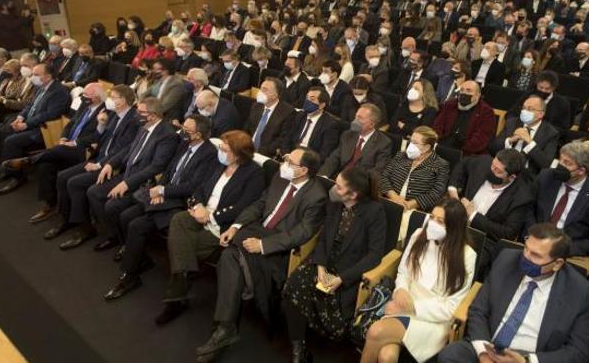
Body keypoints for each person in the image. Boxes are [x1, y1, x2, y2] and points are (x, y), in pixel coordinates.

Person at [195, 148, 327, 360]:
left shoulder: (317, 196)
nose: (283, 163)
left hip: (278, 248)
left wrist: (264, 245)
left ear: (303, 170)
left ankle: (225, 328)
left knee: (229, 257)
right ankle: (227, 328)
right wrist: (236, 226)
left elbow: (300, 234)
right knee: (231, 255)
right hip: (256, 230)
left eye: (289, 161)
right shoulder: (280, 177)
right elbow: (259, 205)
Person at [101, 114, 219, 301]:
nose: (182, 133)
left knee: (136, 225)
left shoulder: (210, 154)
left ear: (199, 135)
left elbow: (194, 186)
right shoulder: (183, 144)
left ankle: (130, 276)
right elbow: (169, 171)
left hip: (180, 203)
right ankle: (140, 259)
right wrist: (158, 189)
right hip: (162, 196)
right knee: (125, 216)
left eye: (187, 131)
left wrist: (164, 191)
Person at [437, 223, 589, 363]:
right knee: (450, 354)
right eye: (526, 248)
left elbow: (579, 350)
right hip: (488, 344)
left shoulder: (578, 290)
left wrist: (527, 361)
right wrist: (483, 352)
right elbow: (479, 309)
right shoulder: (507, 259)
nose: (525, 257)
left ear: (557, 264)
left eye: (536, 255)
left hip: (529, 356)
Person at [155, 130, 265, 325]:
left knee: (182, 246)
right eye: (220, 147)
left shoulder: (254, 173)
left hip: (220, 226)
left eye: (224, 149)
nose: (220, 152)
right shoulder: (219, 164)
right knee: (179, 219)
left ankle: (176, 299)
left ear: (239, 154)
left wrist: (212, 216)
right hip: (200, 214)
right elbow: (199, 188)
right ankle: (186, 276)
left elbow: (244, 206)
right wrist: (198, 206)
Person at [282, 168, 387, 361]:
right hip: (325, 262)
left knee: (330, 312)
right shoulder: (335, 204)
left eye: (338, 187)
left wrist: (342, 278)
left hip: (348, 272)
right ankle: (299, 349)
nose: (333, 189)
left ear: (353, 194)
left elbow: (374, 255)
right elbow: (322, 239)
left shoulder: (374, 212)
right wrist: (320, 266)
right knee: (294, 285)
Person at [361, 199, 477, 363]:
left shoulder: (467, 256)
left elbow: (451, 307)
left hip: (433, 320)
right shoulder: (418, 235)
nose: (433, 224)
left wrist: (414, 307)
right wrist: (400, 290)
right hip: (404, 304)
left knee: (375, 332)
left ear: (454, 227)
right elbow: (403, 272)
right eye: (432, 217)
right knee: (386, 356)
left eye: (440, 221)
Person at [59, 97, 178, 250]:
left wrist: (127, 183)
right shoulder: (144, 126)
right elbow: (128, 149)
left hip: (143, 182)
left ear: (153, 115)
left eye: (141, 112)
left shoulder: (168, 135)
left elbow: (156, 167)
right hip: (127, 173)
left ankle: (124, 243)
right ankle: (113, 235)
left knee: (111, 205)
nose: (137, 114)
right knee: (93, 192)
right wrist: (110, 164)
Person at [42, 85, 140, 241]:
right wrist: (101, 125)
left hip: (112, 167)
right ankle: (66, 219)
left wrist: (101, 165)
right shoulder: (114, 115)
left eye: (113, 97)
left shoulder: (134, 120)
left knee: (74, 183)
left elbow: (124, 150)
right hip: (98, 158)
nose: (110, 100)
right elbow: (100, 139)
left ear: (124, 101)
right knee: (62, 176)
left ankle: (85, 228)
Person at [2, 83, 108, 217]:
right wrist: (64, 137)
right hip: (66, 145)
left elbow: (98, 136)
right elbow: (70, 124)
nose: (83, 97)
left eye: (86, 95)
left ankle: (30, 161)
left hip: (84, 150)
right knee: (45, 166)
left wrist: (75, 142)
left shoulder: (106, 113)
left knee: (57, 151)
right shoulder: (84, 105)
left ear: (97, 97)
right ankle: (50, 204)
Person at [0, 63, 71, 193]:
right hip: (30, 123)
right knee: (1, 133)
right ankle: (7, 169)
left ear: (48, 77)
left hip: (43, 129)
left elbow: (50, 115)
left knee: (11, 141)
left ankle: (17, 177)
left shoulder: (59, 92)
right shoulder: (41, 87)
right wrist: (20, 118)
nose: (33, 77)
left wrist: (26, 124)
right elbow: (29, 105)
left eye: (36, 75)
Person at [448, 149, 535, 275]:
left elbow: (508, 233)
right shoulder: (484, 162)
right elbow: (463, 163)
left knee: (463, 262)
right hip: (456, 222)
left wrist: (473, 215)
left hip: (483, 239)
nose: (491, 170)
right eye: (493, 165)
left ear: (511, 177)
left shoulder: (522, 197)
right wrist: (453, 190)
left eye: (498, 171)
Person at [527, 141, 589, 259]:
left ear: (581, 171)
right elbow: (527, 209)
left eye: (567, 163)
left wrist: (557, 250)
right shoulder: (546, 176)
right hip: (534, 242)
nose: (560, 165)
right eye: (560, 160)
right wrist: (532, 235)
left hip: (569, 253)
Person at [380, 126, 450, 212]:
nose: (410, 145)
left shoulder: (441, 165)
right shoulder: (401, 155)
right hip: (389, 201)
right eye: (411, 141)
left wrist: (409, 205)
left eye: (415, 143)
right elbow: (384, 176)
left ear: (426, 147)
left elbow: (437, 193)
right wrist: (394, 197)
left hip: (415, 210)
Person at [319, 104, 392, 179]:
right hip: (339, 177)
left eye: (360, 118)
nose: (355, 121)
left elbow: (377, 171)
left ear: (372, 124)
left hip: (359, 183)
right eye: (355, 116)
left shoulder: (384, 143)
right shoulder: (348, 135)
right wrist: (323, 176)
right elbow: (334, 158)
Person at [489, 95, 559, 173]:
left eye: (529, 109)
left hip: (527, 174)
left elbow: (545, 164)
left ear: (541, 114)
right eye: (523, 108)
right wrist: (510, 140)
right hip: (503, 168)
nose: (524, 111)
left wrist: (530, 143)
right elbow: (493, 148)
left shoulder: (550, 133)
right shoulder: (512, 123)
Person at [433, 80, 496, 156]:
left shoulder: (486, 112)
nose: (464, 93)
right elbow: (437, 126)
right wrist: (436, 143)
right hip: (443, 145)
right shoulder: (450, 104)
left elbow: (481, 139)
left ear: (478, 95)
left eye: (469, 91)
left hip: (467, 152)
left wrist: (461, 152)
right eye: (462, 90)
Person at [244, 78, 296, 158]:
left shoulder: (288, 112)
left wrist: (265, 152)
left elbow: (283, 138)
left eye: (264, 90)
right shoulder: (256, 105)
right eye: (260, 88)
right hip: (247, 149)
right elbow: (248, 127)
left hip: (267, 153)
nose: (259, 92)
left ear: (274, 95)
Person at [287, 86, 340, 162]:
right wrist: (287, 154)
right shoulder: (299, 115)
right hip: (291, 154)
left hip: (309, 159)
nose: (307, 101)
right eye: (307, 98)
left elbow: (325, 152)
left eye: (312, 99)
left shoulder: (330, 124)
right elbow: (287, 137)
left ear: (322, 105)